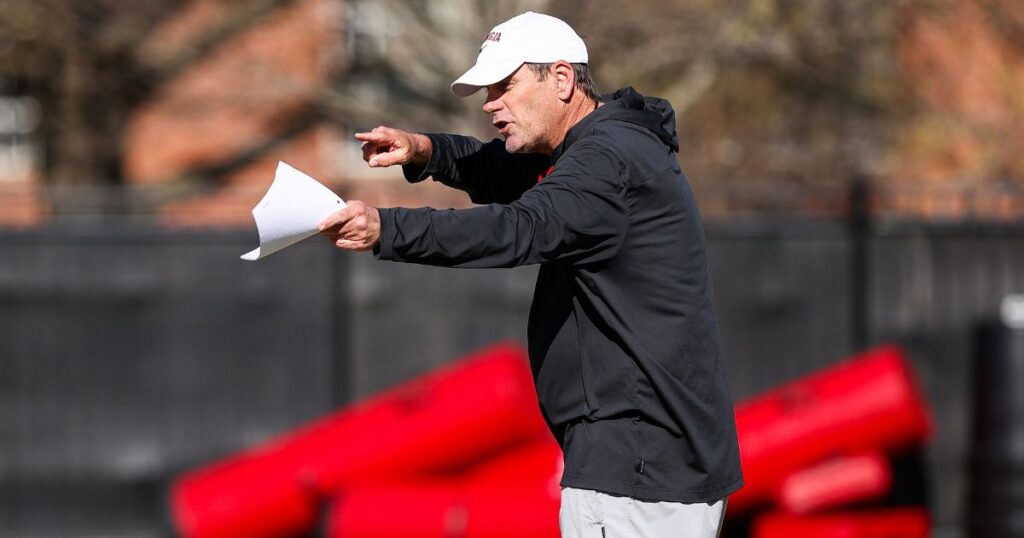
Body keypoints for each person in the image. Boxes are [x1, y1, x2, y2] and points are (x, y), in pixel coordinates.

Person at [319, 11, 742, 538]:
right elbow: (500, 170)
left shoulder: (606, 162)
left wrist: (385, 227)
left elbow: (517, 228)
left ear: (561, 79)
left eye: (505, 84)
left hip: (636, 472)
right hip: (647, 463)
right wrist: (426, 152)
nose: (491, 102)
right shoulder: (602, 144)